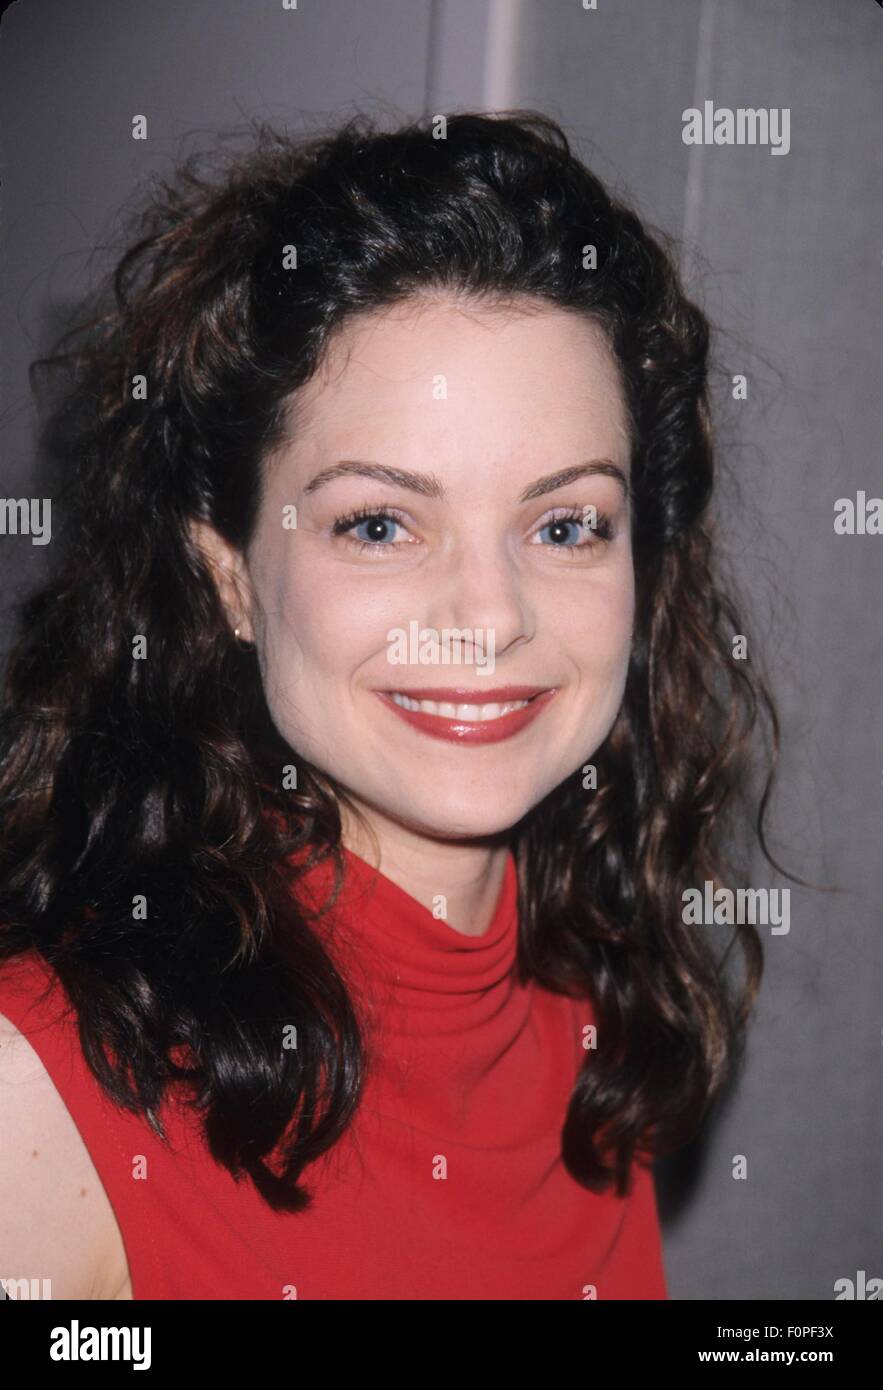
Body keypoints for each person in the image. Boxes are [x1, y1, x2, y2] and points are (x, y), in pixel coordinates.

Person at [0, 111, 782, 1300]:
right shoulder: (40, 1095)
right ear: (229, 580)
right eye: (379, 522)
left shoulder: (591, 1001)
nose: (487, 613)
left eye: (564, 524)